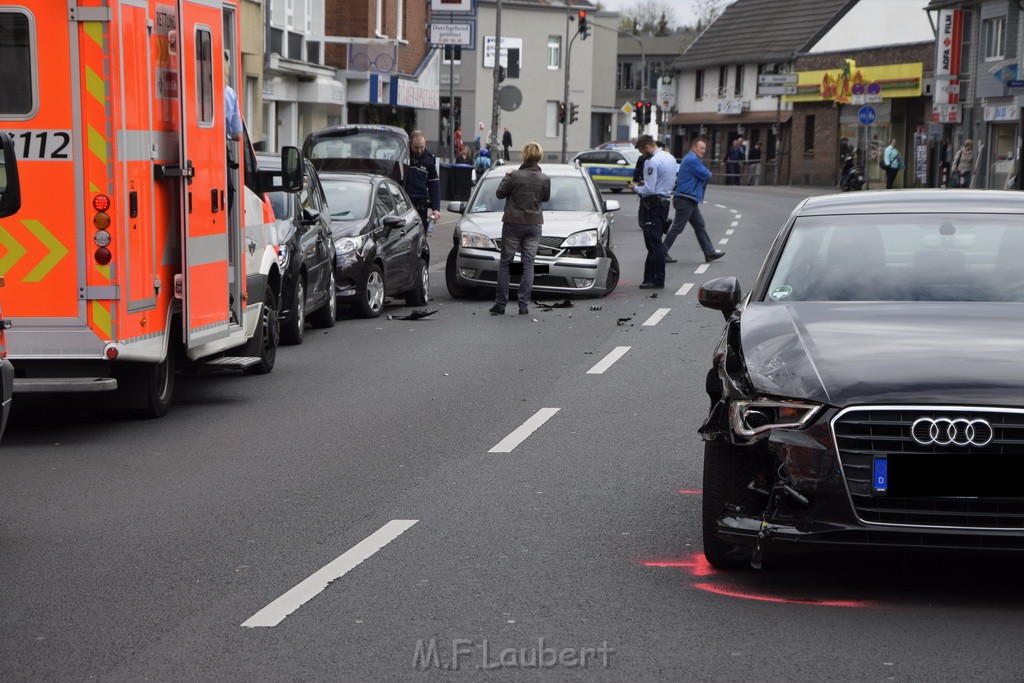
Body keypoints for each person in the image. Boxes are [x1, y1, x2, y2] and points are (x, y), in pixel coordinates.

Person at [489, 142, 551, 316]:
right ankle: (523, 305)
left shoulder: (514, 176)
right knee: (528, 264)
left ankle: (501, 304)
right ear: (539, 157)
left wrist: (506, 175)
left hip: (513, 223)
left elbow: (499, 193)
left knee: (506, 264)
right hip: (534, 224)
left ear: (524, 155)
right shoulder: (545, 178)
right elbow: (545, 199)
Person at [664, 137, 724, 264]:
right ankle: (662, 252)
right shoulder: (692, 160)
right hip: (685, 198)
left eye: (704, 149)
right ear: (693, 148)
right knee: (677, 228)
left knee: (700, 225)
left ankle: (709, 253)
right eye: (701, 148)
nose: (703, 151)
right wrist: (707, 172)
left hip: (689, 199)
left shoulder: (692, 159)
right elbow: (707, 174)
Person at [627, 134, 676, 289]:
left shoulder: (652, 162)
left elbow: (649, 189)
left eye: (642, 151)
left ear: (647, 147)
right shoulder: (670, 157)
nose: (642, 155)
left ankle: (657, 279)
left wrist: (635, 187)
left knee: (653, 243)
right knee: (654, 242)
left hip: (653, 205)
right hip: (664, 204)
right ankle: (649, 278)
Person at [405, 130, 440, 230]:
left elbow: (434, 185)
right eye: (416, 147)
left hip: (421, 205)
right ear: (409, 143)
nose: (419, 151)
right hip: (405, 203)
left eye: (422, 147)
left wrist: (436, 209)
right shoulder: (403, 155)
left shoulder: (429, 159)